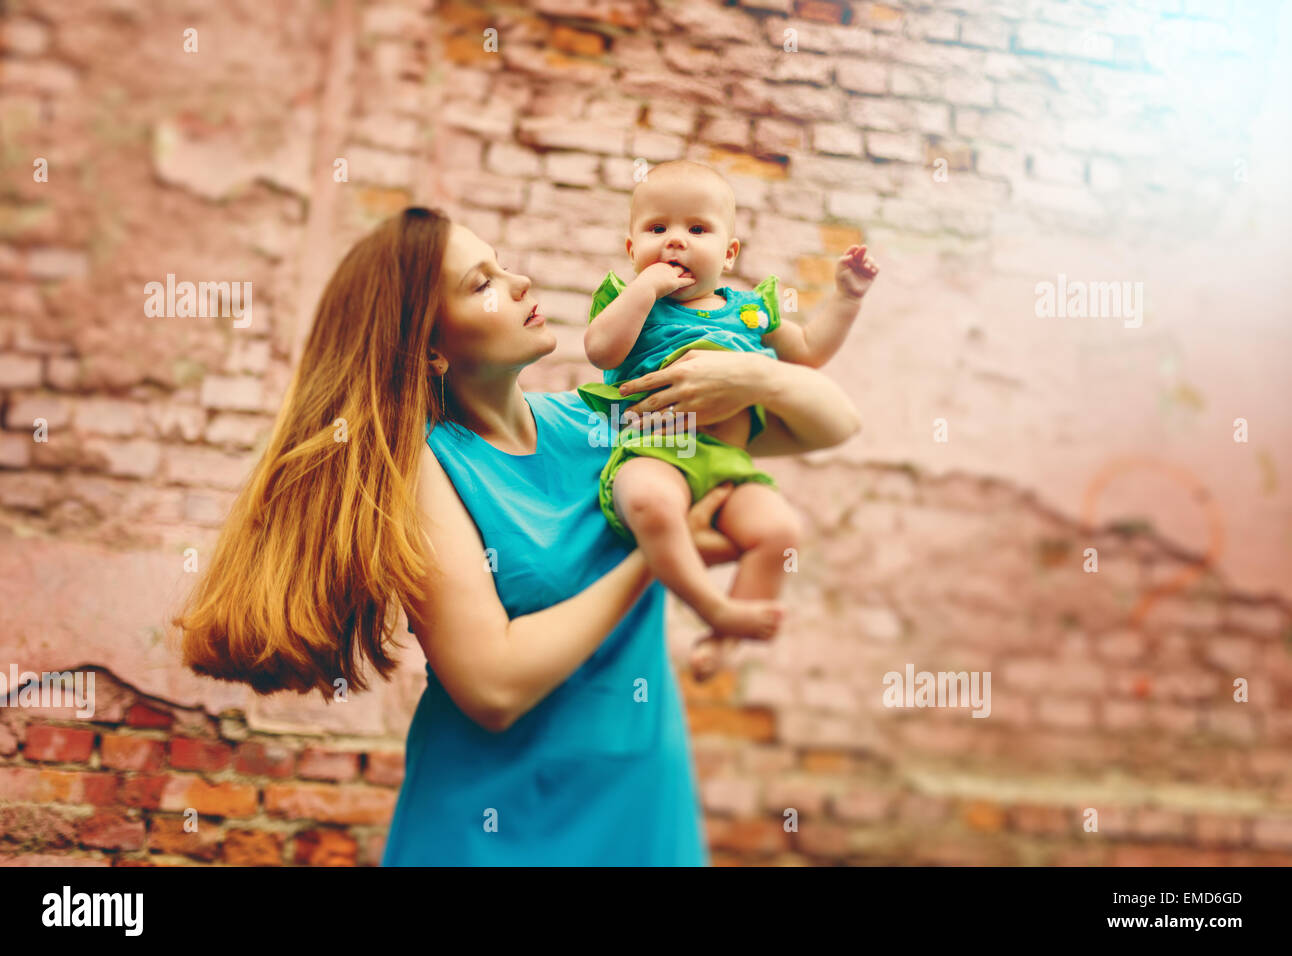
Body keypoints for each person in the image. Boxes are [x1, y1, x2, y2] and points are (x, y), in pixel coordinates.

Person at [173, 207, 862, 865]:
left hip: (640, 801)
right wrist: (656, 558)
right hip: (495, 825)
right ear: (432, 347)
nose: (520, 282)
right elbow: (492, 687)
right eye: (483, 284)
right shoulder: (423, 466)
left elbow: (833, 424)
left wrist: (753, 374)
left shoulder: (604, 423)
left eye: (501, 267)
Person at [580, 160, 879, 679]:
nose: (675, 242)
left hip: (729, 463)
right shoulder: (632, 303)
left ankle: (724, 640)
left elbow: (807, 353)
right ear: (631, 250)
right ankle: (709, 604)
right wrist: (643, 291)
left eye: (697, 229)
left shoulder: (749, 310)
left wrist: (847, 299)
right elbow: (601, 350)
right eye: (657, 229)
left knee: (779, 529)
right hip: (657, 451)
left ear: (729, 252)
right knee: (649, 502)